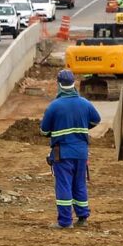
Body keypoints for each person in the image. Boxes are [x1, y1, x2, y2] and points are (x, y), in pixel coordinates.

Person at [40, 69, 102, 228]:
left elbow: (44, 131)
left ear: (59, 84)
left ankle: (65, 222)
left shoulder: (54, 106)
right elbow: (96, 120)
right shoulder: (85, 104)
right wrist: (82, 127)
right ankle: (82, 218)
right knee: (79, 183)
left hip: (63, 153)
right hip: (81, 152)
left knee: (64, 185)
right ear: (73, 83)